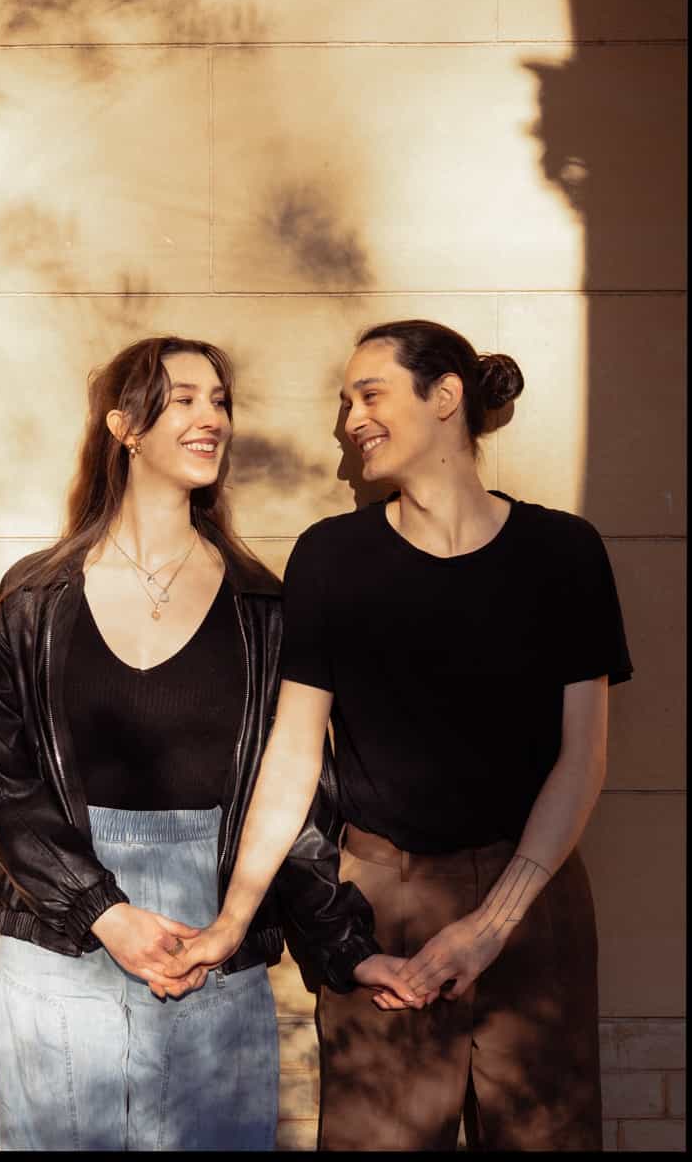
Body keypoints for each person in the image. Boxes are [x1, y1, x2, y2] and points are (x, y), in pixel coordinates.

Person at [168, 319, 632, 1152]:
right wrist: (232, 917)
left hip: (534, 898)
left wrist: (492, 924)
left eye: (369, 395)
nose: (350, 421)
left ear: (444, 397)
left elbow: (583, 757)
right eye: (345, 403)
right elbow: (292, 755)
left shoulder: (563, 552)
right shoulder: (330, 557)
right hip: (382, 905)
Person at [0, 335, 417, 1152]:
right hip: (61, 934)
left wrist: (347, 949)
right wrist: (103, 912)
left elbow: (297, 797)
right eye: (182, 399)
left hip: (214, 930)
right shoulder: (34, 596)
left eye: (219, 401)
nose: (210, 417)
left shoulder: (264, 607)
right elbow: (5, 781)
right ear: (124, 427)